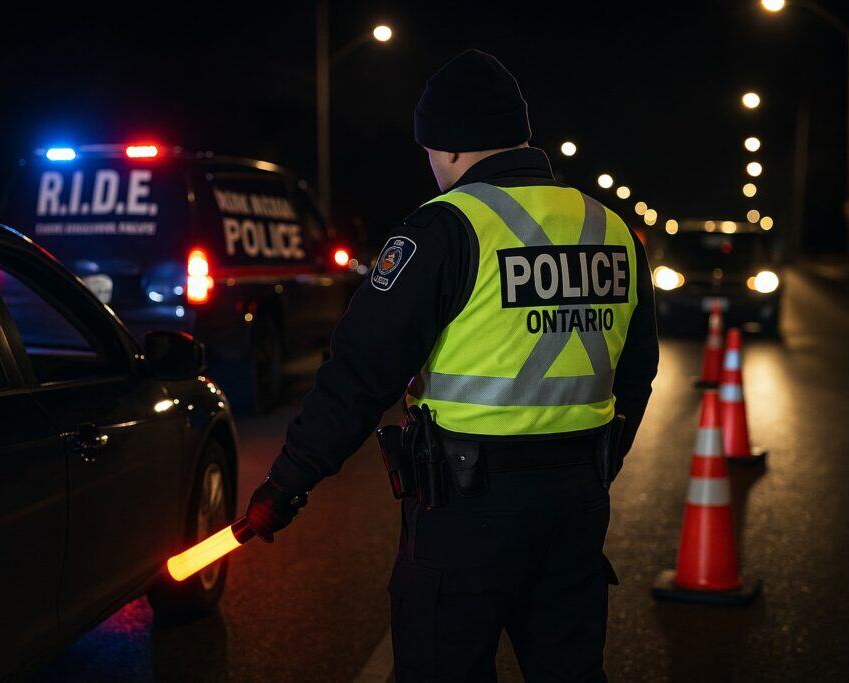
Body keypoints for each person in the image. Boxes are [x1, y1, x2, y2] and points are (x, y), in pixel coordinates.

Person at [245, 49, 658, 681]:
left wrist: (287, 483)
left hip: (467, 514)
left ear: (452, 146)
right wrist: (598, 462)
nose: (433, 166)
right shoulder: (611, 229)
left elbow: (359, 374)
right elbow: (638, 372)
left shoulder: (444, 228)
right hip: (577, 503)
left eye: (431, 151)